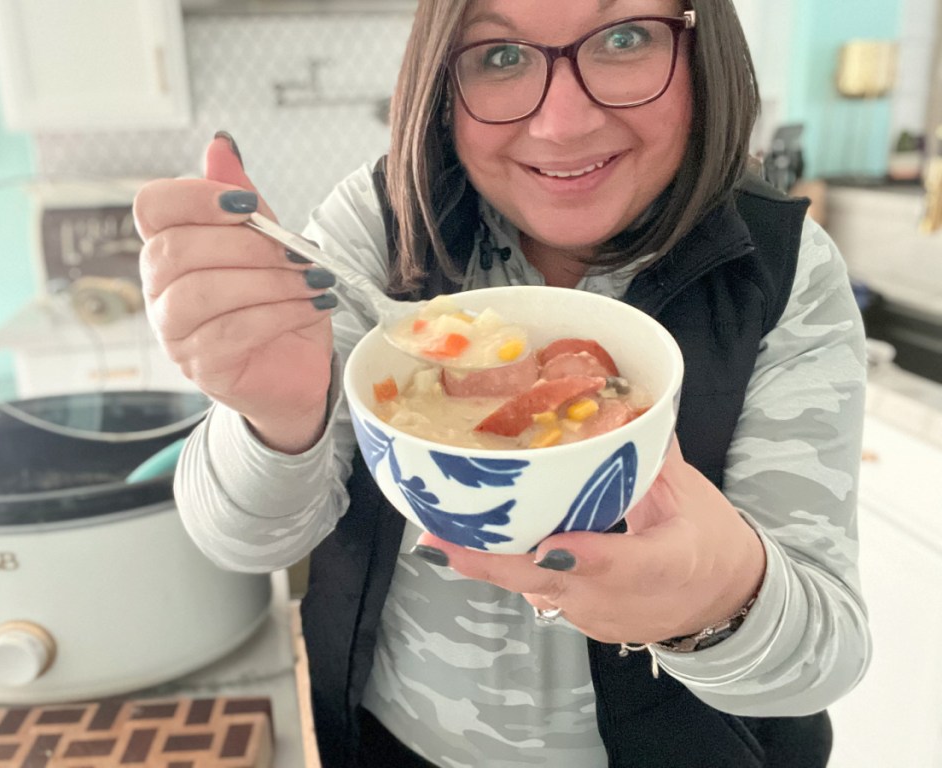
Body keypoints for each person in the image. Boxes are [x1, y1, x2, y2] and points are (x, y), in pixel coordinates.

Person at [134, 0, 871, 765]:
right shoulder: (380, 224)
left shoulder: (784, 271)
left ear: (702, 47)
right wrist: (272, 418)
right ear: (441, 78)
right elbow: (245, 540)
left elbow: (827, 655)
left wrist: (723, 597)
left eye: (624, 38)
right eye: (499, 55)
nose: (561, 125)